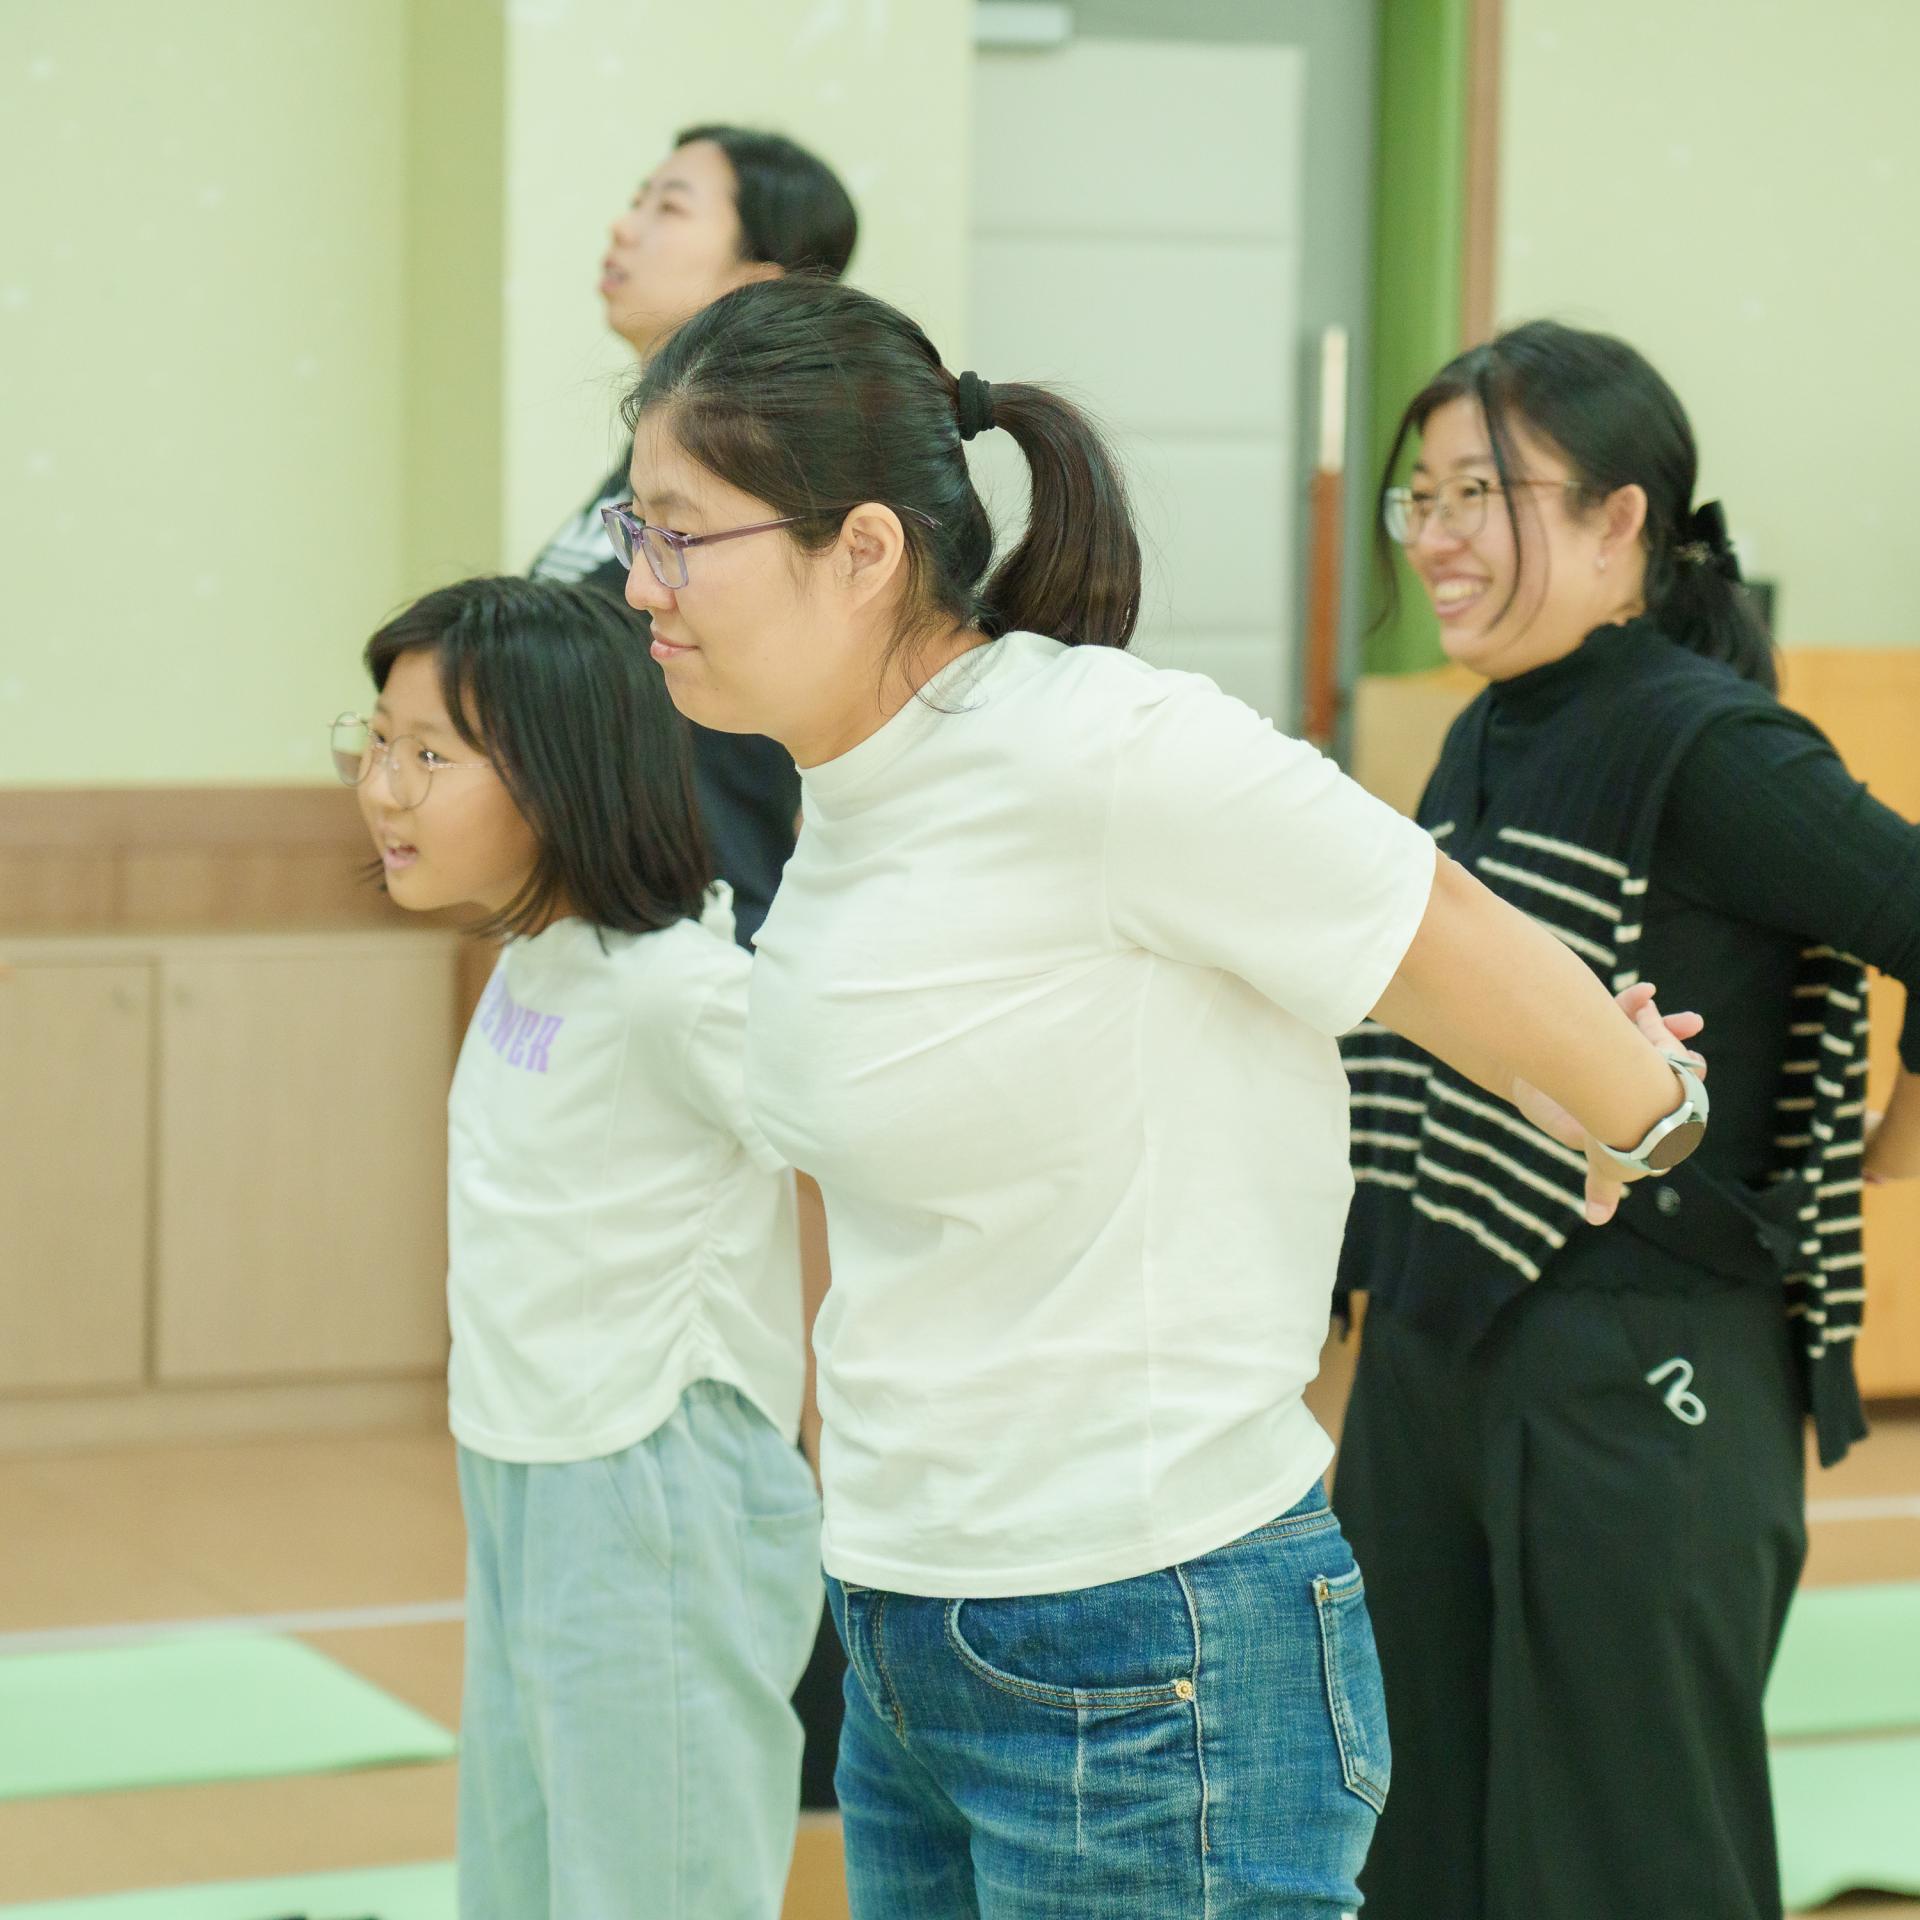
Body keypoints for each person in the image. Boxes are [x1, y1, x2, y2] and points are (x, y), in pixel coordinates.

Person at [602, 274, 1712, 1918]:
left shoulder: (1104, 748)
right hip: (908, 1617)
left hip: (1147, 1641)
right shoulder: (848, 789)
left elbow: (1428, 926)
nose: (640, 580)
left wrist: (1641, 1109)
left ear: (863, 551)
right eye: (636, 527)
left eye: (682, 535)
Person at [1333, 320, 1920, 1920]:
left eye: (1483, 493)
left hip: (1636, 1368)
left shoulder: (1708, 745)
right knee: (1413, 1845)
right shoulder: (1486, 727)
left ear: (1619, 523)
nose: (1437, 536)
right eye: (1421, 496)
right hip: (1441, 1344)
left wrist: (1889, 1151)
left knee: (1630, 1867)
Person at [332, 576, 823, 1918]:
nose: (383, 789)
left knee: (656, 1882)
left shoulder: (680, 991)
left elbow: (868, 1156)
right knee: (522, 1872)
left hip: (651, 1481)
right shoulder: (531, 959)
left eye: (430, 756)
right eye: (378, 743)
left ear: (560, 774)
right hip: (524, 1465)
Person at [530, 123, 858, 949]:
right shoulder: (643, 472)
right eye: (637, 201)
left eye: (669, 208)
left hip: (711, 935)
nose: (623, 226)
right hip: (605, 931)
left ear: (758, 281)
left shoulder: (770, 486)